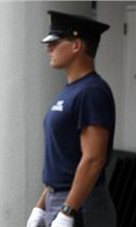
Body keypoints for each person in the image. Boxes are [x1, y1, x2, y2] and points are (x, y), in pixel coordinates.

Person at [26, 11, 116, 227]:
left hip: (81, 205)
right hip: (59, 200)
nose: (49, 48)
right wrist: (41, 205)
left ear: (76, 45)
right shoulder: (71, 91)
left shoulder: (92, 91)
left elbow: (94, 159)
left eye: (55, 42)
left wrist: (68, 211)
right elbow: (64, 161)